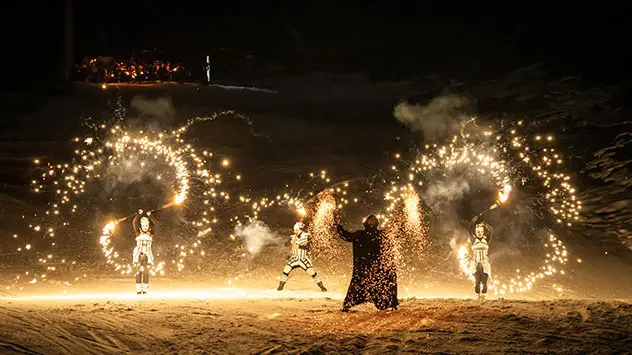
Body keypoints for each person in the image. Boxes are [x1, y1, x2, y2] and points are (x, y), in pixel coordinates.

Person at [335, 214, 398, 312]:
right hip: (362, 269)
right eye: (370, 220)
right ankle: (348, 307)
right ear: (365, 222)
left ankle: (388, 306)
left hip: (377, 270)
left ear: (377, 223)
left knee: (381, 288)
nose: (372, 222)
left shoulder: (382, 234)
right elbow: (346, 236)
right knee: (356, 290)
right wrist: (338, 226)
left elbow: (395, 235)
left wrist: (402, 220)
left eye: (373, 220)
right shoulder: (359, 234)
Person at [277, 222, 328, 292]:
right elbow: (286, 244)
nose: (295, 232)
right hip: (295, 258)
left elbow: (306, 244)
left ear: (301, 230)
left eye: (296, 230)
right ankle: (280, 288)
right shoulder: (293, 236)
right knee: (286, 270)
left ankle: (322, 287)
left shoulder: (306, 236)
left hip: (303, 259)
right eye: (294, 230)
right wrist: (290, 241)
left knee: (312, 272)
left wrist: (295, 242)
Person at [468, 215, 493, 301]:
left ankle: (484, 297)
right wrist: (472, 221)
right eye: (478, 232)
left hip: (485, 263)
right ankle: (478, 296)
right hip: (475, 264)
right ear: (475, 232)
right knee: (477, 281)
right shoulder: (473, 240)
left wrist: (485, 224)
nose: (480, 233)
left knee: (485, 281)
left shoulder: (486, 240)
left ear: (483, 232)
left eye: (481, 232)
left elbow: (491, 231)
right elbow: (469, 231)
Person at [132, 209, 156, 294]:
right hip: (139, 255)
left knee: (146, 272)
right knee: (138, 272)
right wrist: (138, 215)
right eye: (143, 225)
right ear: (141, 226)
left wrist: (150, 216)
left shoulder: (150, 233)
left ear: (148, 225)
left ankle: (145, 290)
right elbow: (134, 223)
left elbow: (157, 224)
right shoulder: (138, 233)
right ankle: (138, 290)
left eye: (146, 225)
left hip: (147, 256)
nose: (145, 227)